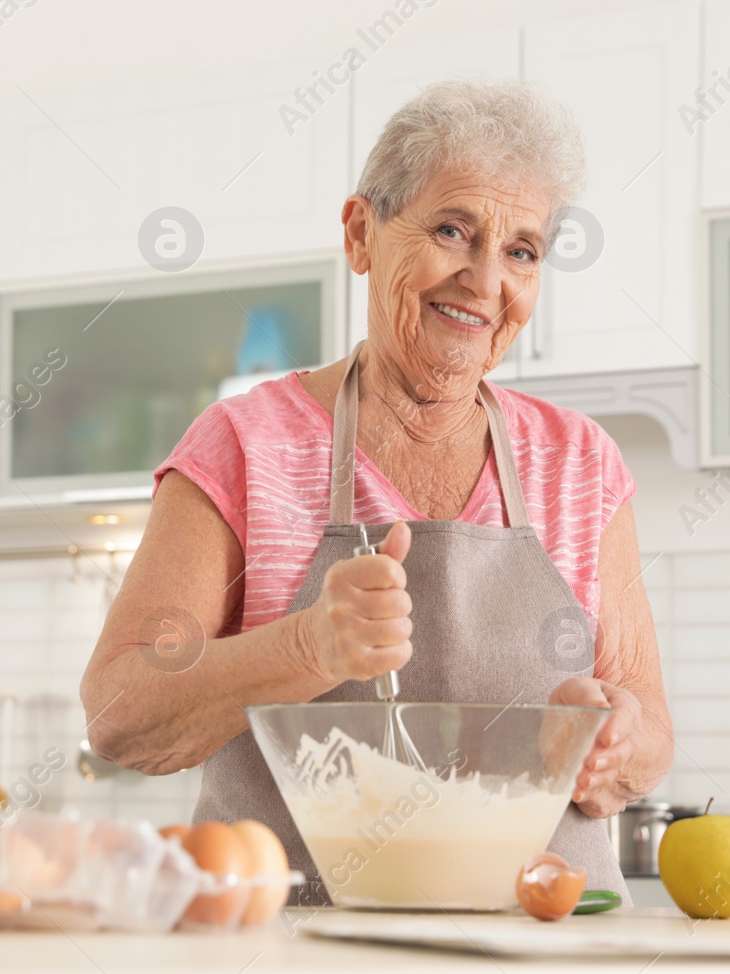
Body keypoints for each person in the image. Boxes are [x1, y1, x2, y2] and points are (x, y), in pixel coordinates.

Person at [82, 79, 672, 901]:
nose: (483, 280)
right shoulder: (246, 448)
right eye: (452, 230)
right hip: (301, 951)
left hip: (543, 951)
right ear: (362, 234)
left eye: (522, 251)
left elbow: (647, 727)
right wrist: (307, 647)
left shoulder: (581, 464)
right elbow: (120, 710)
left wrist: (615, 744)